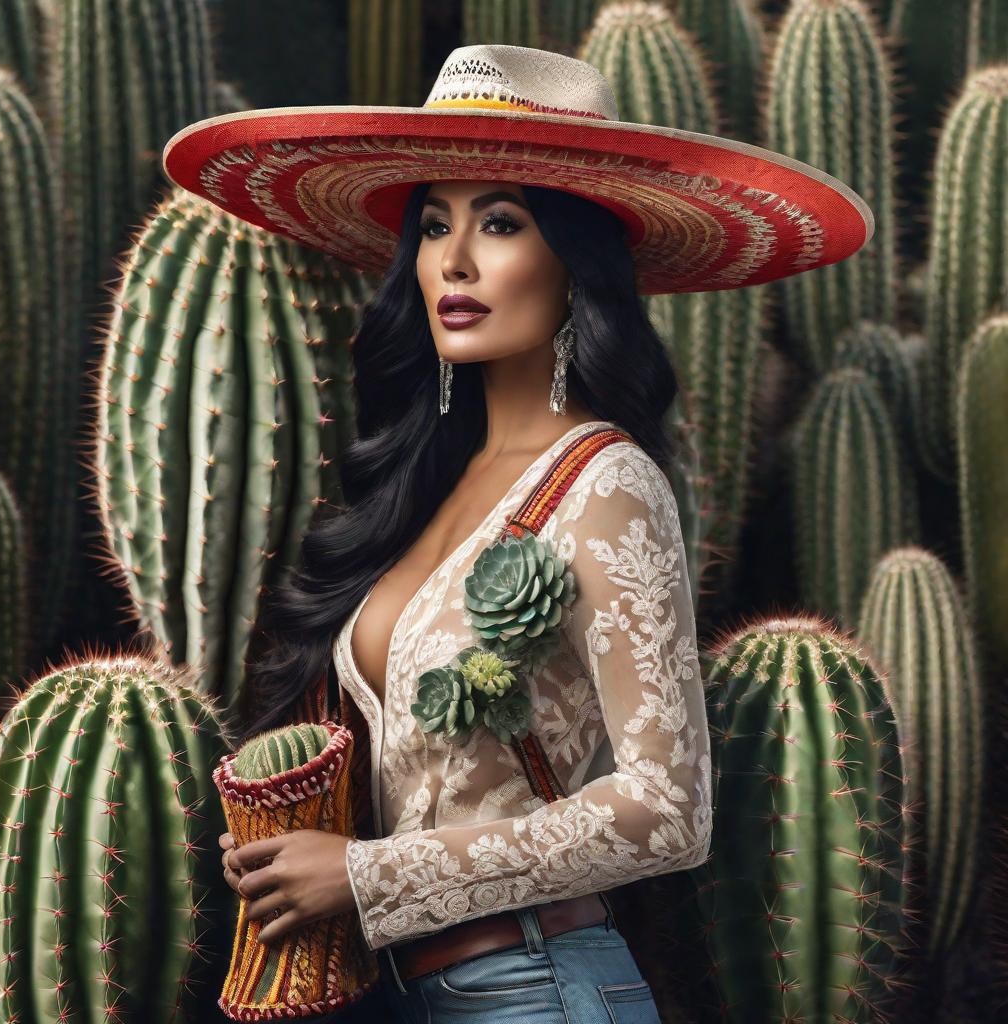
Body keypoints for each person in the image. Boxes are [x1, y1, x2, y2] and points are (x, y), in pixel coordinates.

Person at [163, 43, 873, 1023]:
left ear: (575, 262)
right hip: (406, 995)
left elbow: (668, 809)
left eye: (500, 222)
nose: (452, 260)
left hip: (533, 987)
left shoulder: (608, 482)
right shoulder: (436, 485)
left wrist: (371, 875)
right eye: (434, 224)